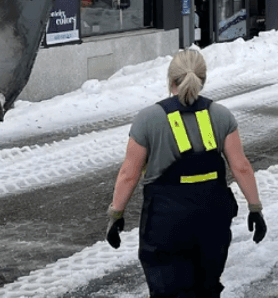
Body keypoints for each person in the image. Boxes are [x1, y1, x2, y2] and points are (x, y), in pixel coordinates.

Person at [105, 50, 267, 298]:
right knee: (207, 288)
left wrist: (116, 215)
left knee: (167, 290)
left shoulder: (148, 119)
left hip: (166, 222)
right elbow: (241, 166)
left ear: (171, 80)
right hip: (212, 220)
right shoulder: (221, 116)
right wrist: (255, 208)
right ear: (203, 80)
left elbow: (129, 174)